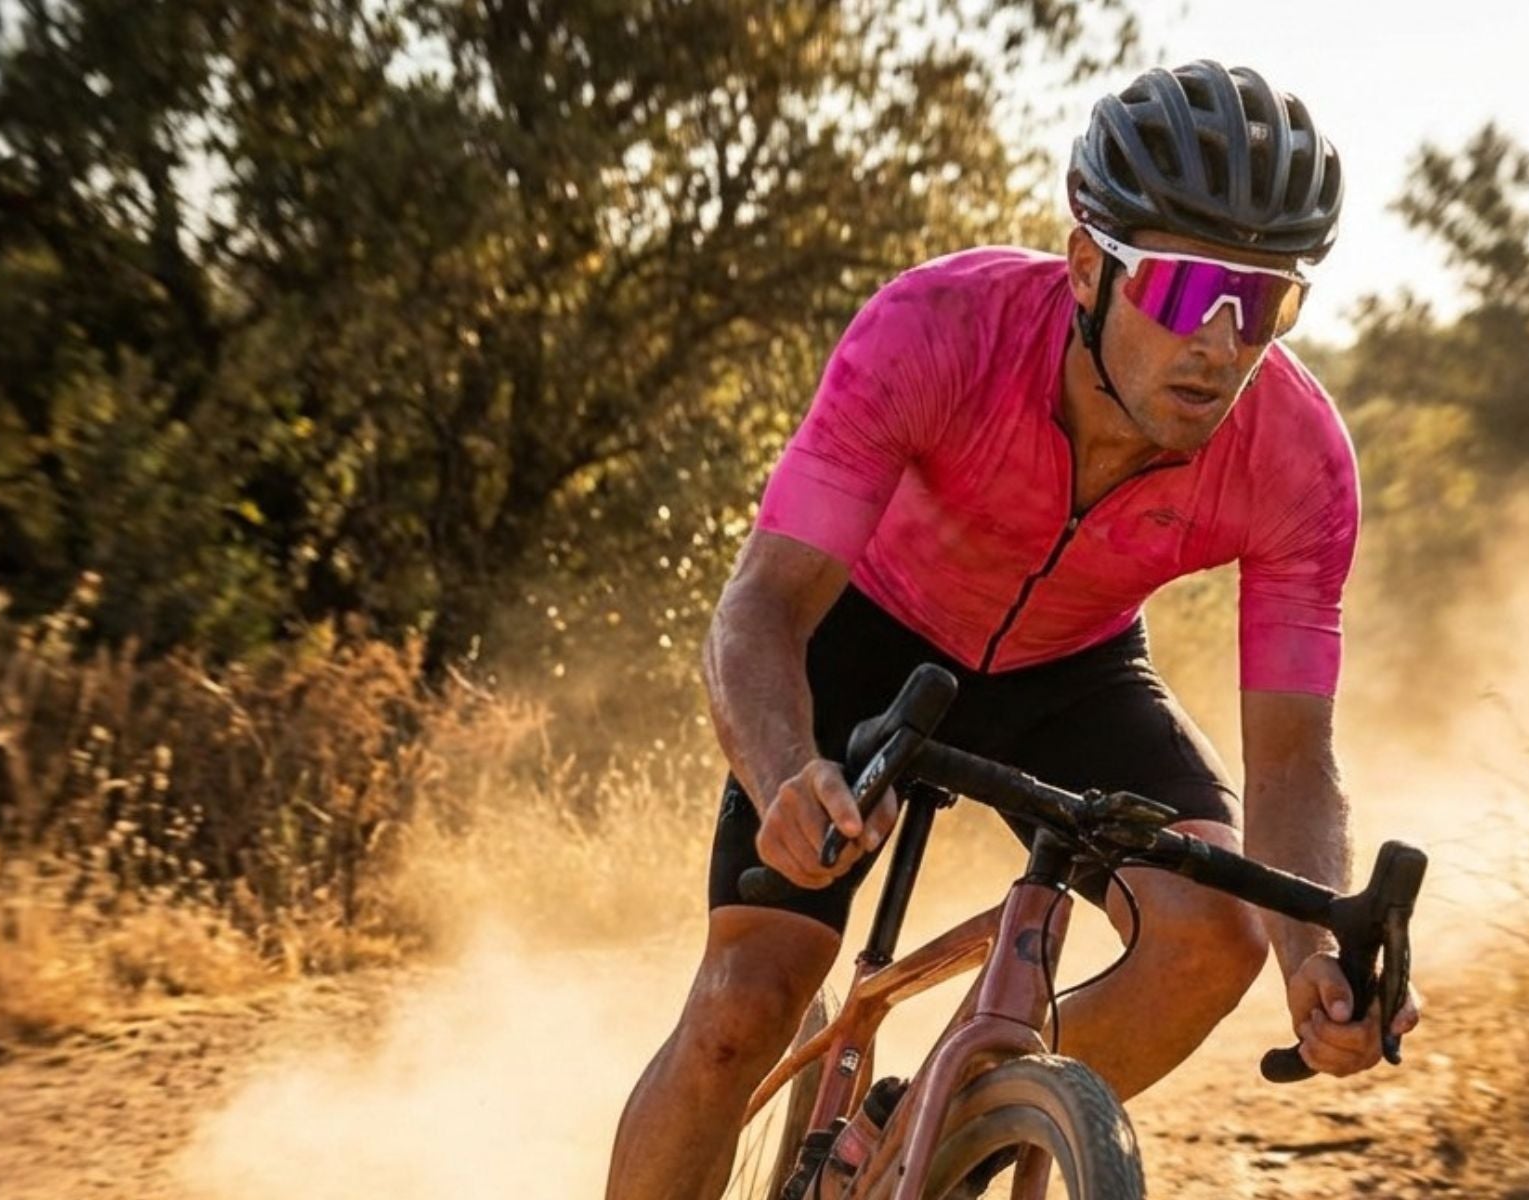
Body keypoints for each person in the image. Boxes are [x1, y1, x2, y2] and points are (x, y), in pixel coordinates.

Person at [604, 60, 1425, 1199]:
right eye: (1187, 293)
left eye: (1267, 303)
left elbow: (1290, 757)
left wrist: (1317, 955)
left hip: (1073, 667)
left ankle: (936, 1126)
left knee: (1217, 939)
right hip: (866, 643)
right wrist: (786, 771)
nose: (1223, 345)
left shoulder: (1299, 459)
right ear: (1087, 263)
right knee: (746, 1004)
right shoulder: (939, 327)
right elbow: (761, 609)